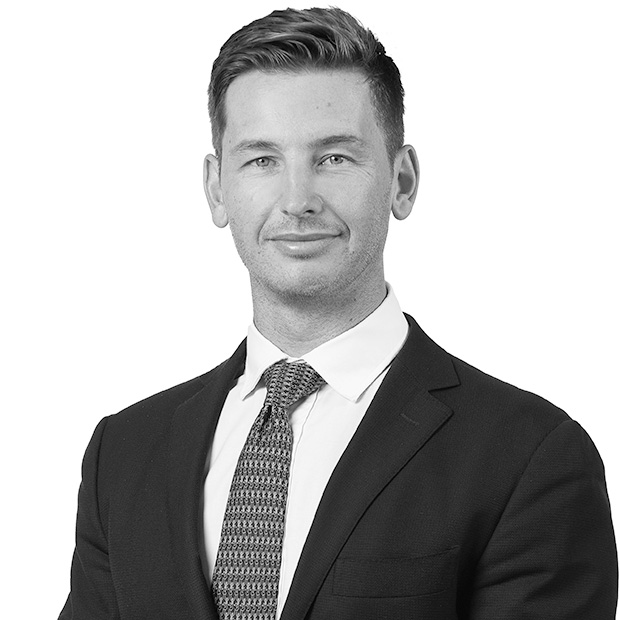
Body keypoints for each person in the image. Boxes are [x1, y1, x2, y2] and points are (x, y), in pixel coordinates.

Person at [59, 7, 617, 619]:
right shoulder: (125, 454)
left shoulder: (528, 457)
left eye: (334, 158)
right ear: (217, 188)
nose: (298, 200)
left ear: (402, 181)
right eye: (261, 159)